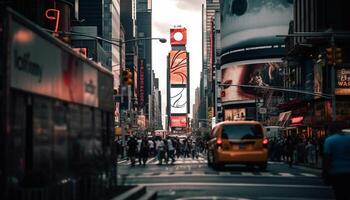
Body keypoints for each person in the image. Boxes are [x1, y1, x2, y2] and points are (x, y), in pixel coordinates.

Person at [323, 124, 350, 200]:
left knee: (339, 194)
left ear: (331, 130)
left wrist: (325, 173)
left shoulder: (329, 140)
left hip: (336, 172)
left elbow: (326, 158)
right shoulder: (348, 139)